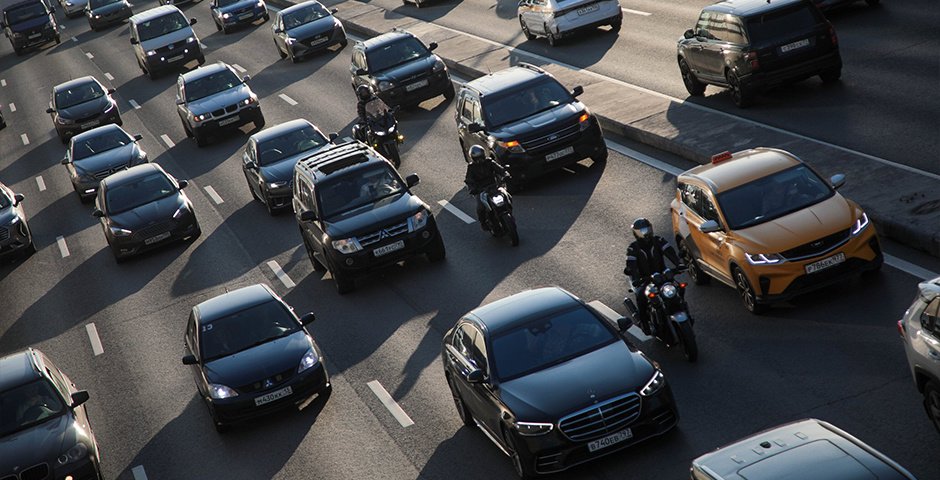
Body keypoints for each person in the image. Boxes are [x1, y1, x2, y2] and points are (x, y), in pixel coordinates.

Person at [624, 218, 682, 335]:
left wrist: (678, 264)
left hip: (663, 275)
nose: (645, 234)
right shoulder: (633, 248)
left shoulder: (659, 240)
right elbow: (631, 265)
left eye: (647, 230)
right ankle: (645, 323)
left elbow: (670, 252)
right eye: (641, 231)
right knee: (641, 297)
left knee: (679, 287)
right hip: (645, 279)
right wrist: (635, 278)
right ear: (636, 233)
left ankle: (682, 307)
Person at [464, 145, 506, 231]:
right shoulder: (471, 167)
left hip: (494, 187)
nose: (480, 160)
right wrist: (472, 188)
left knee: (506, 196)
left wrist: (505, 174)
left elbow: (499, 169)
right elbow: (469, 179)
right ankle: (483, 222)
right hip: (481, 190)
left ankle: (507, 210)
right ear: (473, 158)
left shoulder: (489, 162)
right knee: (480, 207)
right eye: (477, 158)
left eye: (481, 157)